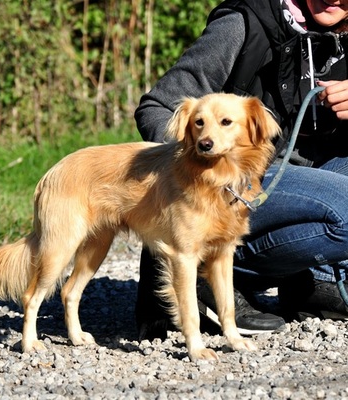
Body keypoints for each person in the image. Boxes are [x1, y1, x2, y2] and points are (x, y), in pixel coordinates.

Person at [134, 0, 348, 341]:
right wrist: (196, 166)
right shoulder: (243, 24)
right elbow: (157, 107)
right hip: (236, 184)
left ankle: (313, 282)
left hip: (305, 177)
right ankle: (205, 269)